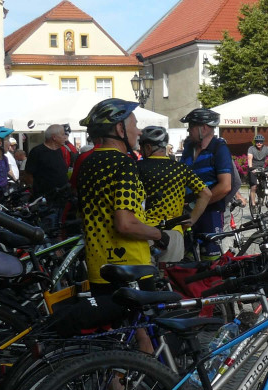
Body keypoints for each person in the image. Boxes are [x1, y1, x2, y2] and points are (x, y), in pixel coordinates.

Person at [76, 99, 169, 291]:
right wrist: (159, 234)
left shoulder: (87, 163)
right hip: (131, 267)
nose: (139, 131)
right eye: (135, 125)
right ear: (120, 129)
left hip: (98, 267)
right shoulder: (124, 164)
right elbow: (125, 224)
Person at [137, 125, 210, 264]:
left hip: (144, 232)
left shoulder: (137, 168)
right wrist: (191, 220)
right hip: (173, 230)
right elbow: (206, 193)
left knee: (145, 280)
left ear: (147, 148)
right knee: (170, 279)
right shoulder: (180, 168)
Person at [180, 108, 234, 260]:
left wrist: (198, 205)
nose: (188, 130)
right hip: (187, 212)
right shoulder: (188, 148)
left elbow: (225, 186)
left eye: (191, 126)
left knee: (211, 262)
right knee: (186, 259)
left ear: (203, 128)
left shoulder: (219, 148)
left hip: (211, 213)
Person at [24, 124, 70, 199]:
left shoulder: (59, 151)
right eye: (62, 134)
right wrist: (34, 192)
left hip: (61, 196)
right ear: (54, 137)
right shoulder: (37, 152)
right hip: (45, 198)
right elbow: (28, 174)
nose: (65, 137)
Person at [246, 134, 268, 205]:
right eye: (257, 142)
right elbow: (249, 158)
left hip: (262, 168)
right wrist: (251, 167)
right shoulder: (251, 149)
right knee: (254, 187)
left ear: (263, 142)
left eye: (260, 142)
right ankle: (253, 204)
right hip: (253, 169)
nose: (259, 143)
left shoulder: (266, 148)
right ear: (255, 142)